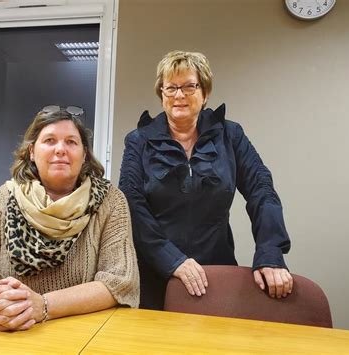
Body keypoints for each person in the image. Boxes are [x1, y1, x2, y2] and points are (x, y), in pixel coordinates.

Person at [119, 50, 293, 310]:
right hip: (154, 276)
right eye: (171, 88)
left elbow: (261, 189)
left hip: (216, 273)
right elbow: (131, 204)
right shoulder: (138, 140)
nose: (179, 95)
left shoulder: (230, 135)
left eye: (189, 86)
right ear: (161, 94)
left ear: (205, 92)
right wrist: (172, 260)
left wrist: (270, 252)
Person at [0, 105, 139, 331]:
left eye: (71, 142)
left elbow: (120, 281)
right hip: (12, 332)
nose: (60, 150)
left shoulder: (110, 201)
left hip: (82, 334)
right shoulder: (5, 197)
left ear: (84, 154)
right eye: (50, 140)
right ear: (32, 152)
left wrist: (44, 306)